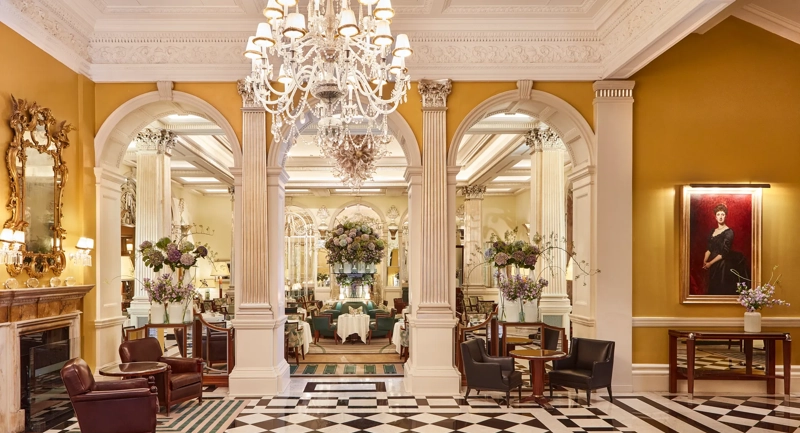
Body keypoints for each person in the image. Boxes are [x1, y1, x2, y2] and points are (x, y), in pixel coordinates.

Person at [703, 204, 748, 295]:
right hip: (712, 264)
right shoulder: (712, 231)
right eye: (718, 214)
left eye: (722, 214)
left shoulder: (729, 232)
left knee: (721, 287)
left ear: (725, 216)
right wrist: (705, 261)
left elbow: (724, 252)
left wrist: (710, 263)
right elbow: (709, 249)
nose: (720, 217)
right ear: (715, 217)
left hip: (723, 264)